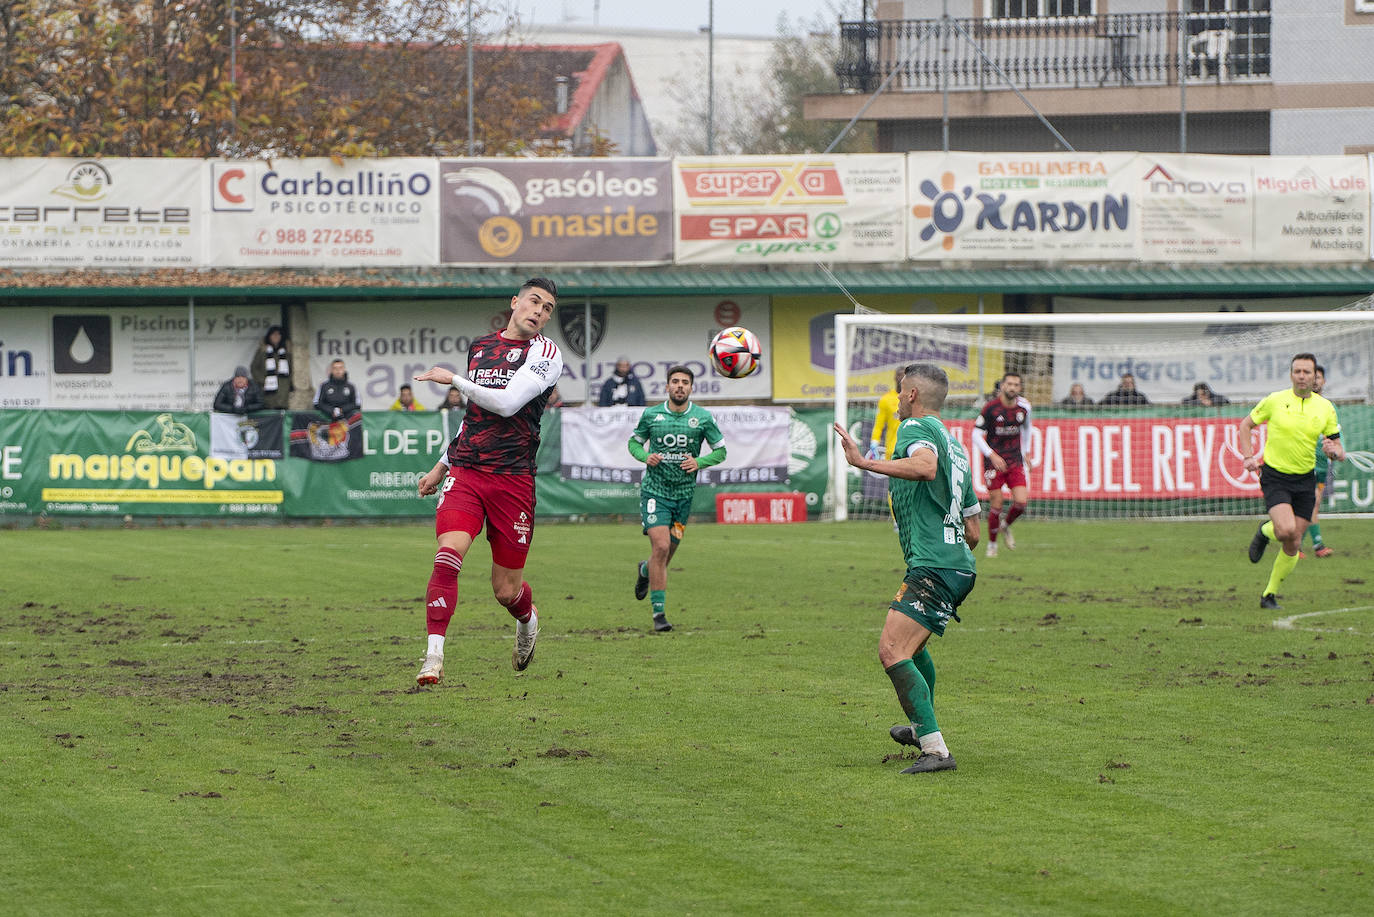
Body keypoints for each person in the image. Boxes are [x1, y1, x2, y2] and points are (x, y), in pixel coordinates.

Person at [411, 278, 564, 684]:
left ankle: (528, 620)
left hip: (513, 481)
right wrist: (441, 466)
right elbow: (474, 420)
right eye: (534, 302)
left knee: (505, 590)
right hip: (467, 471)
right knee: (448, 554)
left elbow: (506, 403)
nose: (539, 311)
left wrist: (454, 381)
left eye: (548, 308)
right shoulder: (481, 346)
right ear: (514, 303)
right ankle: (433, 657)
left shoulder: (545, 352)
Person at [832, 362, 981, 775]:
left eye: (900, 391)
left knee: (892, 650)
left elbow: (924, 467)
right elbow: (973, 530)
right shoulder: (959, 448)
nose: (897, 399)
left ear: (912, 395)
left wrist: (864, 463)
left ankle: (935, 749)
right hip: (957, 565)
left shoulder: (914, 431)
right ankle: (921, 728)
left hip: (935, 565)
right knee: (915, 648)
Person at [1239, 353, 1344, 610]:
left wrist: (1335, 450)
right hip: (1275, 476)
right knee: (1285, 530)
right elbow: (1246, 425)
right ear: (1291, 374)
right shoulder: (1275, 401)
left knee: (1294, 540)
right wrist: (1248, 457)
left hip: (1305, 480)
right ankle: (1267, 530)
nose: (1302, 376)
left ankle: (1269, 595)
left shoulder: (1325, 408)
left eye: (1307, 372)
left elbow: (1337, 448)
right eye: (1297, 371)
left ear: (1314, 377)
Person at [628, 365, 727, 633]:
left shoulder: (703, 418)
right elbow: (634, 443)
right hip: (655, 492)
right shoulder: (652, 415)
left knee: (666, 555)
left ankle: (646, 571)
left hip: (683, 497)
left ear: (691, 388)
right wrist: (644, 456)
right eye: (675, 381)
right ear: (667, 387)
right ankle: (659, 616)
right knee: (660, 547)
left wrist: (699, 461)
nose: (680, 386)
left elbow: (721, 452)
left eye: (685, 382)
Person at [973, 371, 1031, 557]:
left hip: (1014, 460)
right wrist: (992, 455)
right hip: (994, 462)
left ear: (1019, 388)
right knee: (996, 503)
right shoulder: (990, 408)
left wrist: (1027, 452)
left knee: (1021, 502)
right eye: (1009, 384)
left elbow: (1027, 428)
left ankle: (1005, 526)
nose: (1012, 387)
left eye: (1016, 384)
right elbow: (975, 434)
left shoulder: (1024, 408)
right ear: (1003, 386)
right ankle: (992, 545)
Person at [1305, 364, 1335, 558]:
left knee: (1310, 506)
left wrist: (1335, 451)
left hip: (1322, 466)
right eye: (1312, 376)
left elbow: (1336, 438)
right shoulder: (1299, 404)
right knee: (1311, 504)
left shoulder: (1328, 408)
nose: (1315, 380)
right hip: (1303, 465)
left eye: (1319, 377)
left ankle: (1296, 545)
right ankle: (1317, 545)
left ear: (1323, 381)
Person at [250, 324, 292, 410]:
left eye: (278, 334)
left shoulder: (286, 352)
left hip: (283, 390)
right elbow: (254, 367)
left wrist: (289, 383)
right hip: (267, 389)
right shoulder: (262, 351)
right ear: (269, 336)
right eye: (273, 334)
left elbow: (291, 369)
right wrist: (263, 380)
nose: (276, 337)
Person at [868, 368, 904, 461]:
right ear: (895, 378)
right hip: (893, 451)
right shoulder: (886, 399)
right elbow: (879, 425)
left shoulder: (913, 397)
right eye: (899, 375)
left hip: (910, 450)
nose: (902, 378)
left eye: (905, 375)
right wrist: (874, 442)